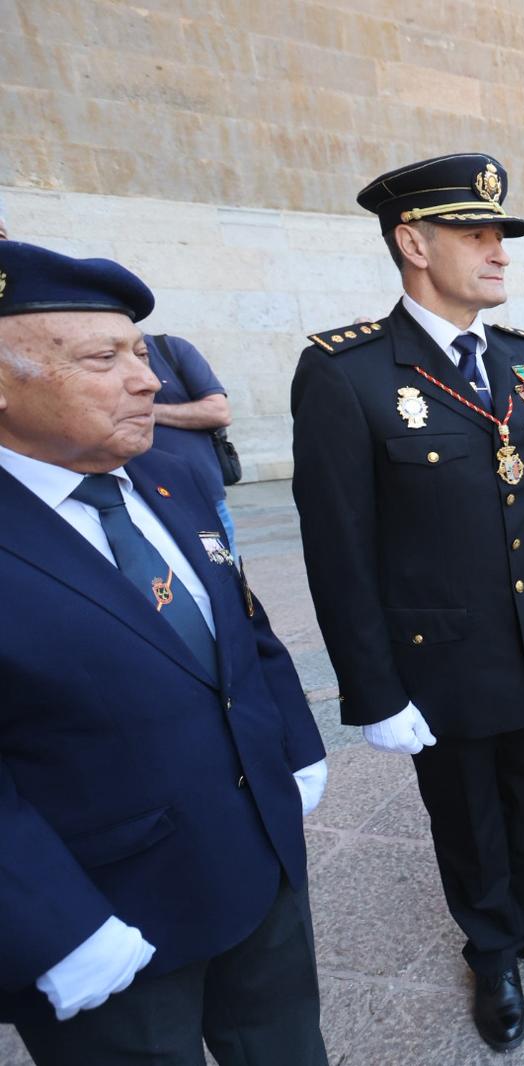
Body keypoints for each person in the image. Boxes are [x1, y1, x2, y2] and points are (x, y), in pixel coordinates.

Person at [289, 153, 524, 1053]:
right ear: (412, 241)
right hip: (443, 659)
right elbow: (339, 551)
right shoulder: (345, 375)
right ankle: (495, 948)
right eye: (477, 233)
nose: (499, 250)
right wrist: (374, 690)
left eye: (501, 233)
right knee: (468, 816)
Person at [0, 241, 328, 1064]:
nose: (148, 380)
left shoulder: (168, 475)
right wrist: (56, 926)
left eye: (141, 353)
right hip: (108, 920)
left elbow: (243, 624)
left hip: (258, 864)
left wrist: (295, 744)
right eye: (103, 358)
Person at [142, 333, 239, 549]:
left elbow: (219, 412)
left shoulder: (170, 348)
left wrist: (144, 411)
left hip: (201, 497)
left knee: (224, 574)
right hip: (139, 498)